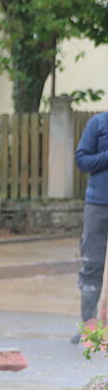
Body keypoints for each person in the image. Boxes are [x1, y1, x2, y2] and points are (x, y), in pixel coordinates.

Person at [74, 112, 108, 343]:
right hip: (98, 205)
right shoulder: (99, 123)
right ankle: (89, 328)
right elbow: (82, 161)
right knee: (92, 265)